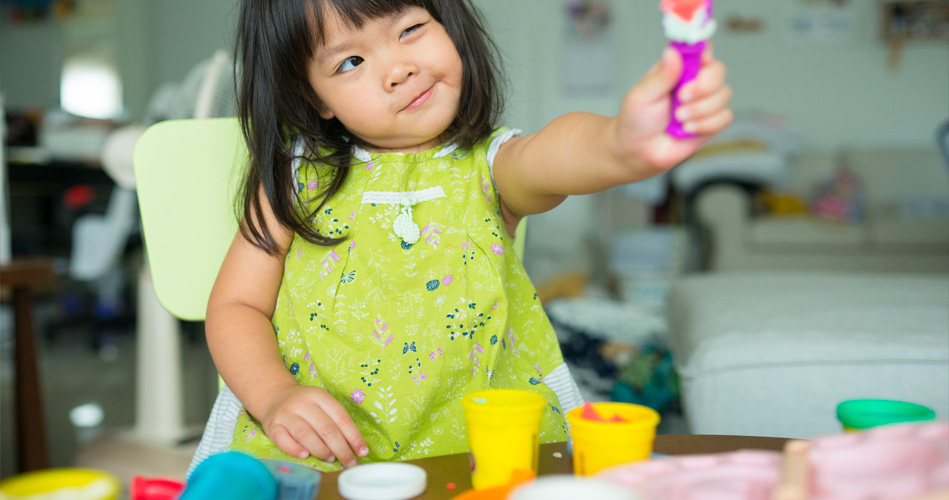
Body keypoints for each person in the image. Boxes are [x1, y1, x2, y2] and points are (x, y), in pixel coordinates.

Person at [190, 0, 732, 474]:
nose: (399, 69)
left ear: (447, 22)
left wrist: (620, 143)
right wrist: (276, 395)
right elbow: (237, 305)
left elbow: (553, 154)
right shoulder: (295, 181)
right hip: (324, 449)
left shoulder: (490, 166)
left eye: (409, 29)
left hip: (485, 450)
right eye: (350, 61)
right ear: (315, 98)